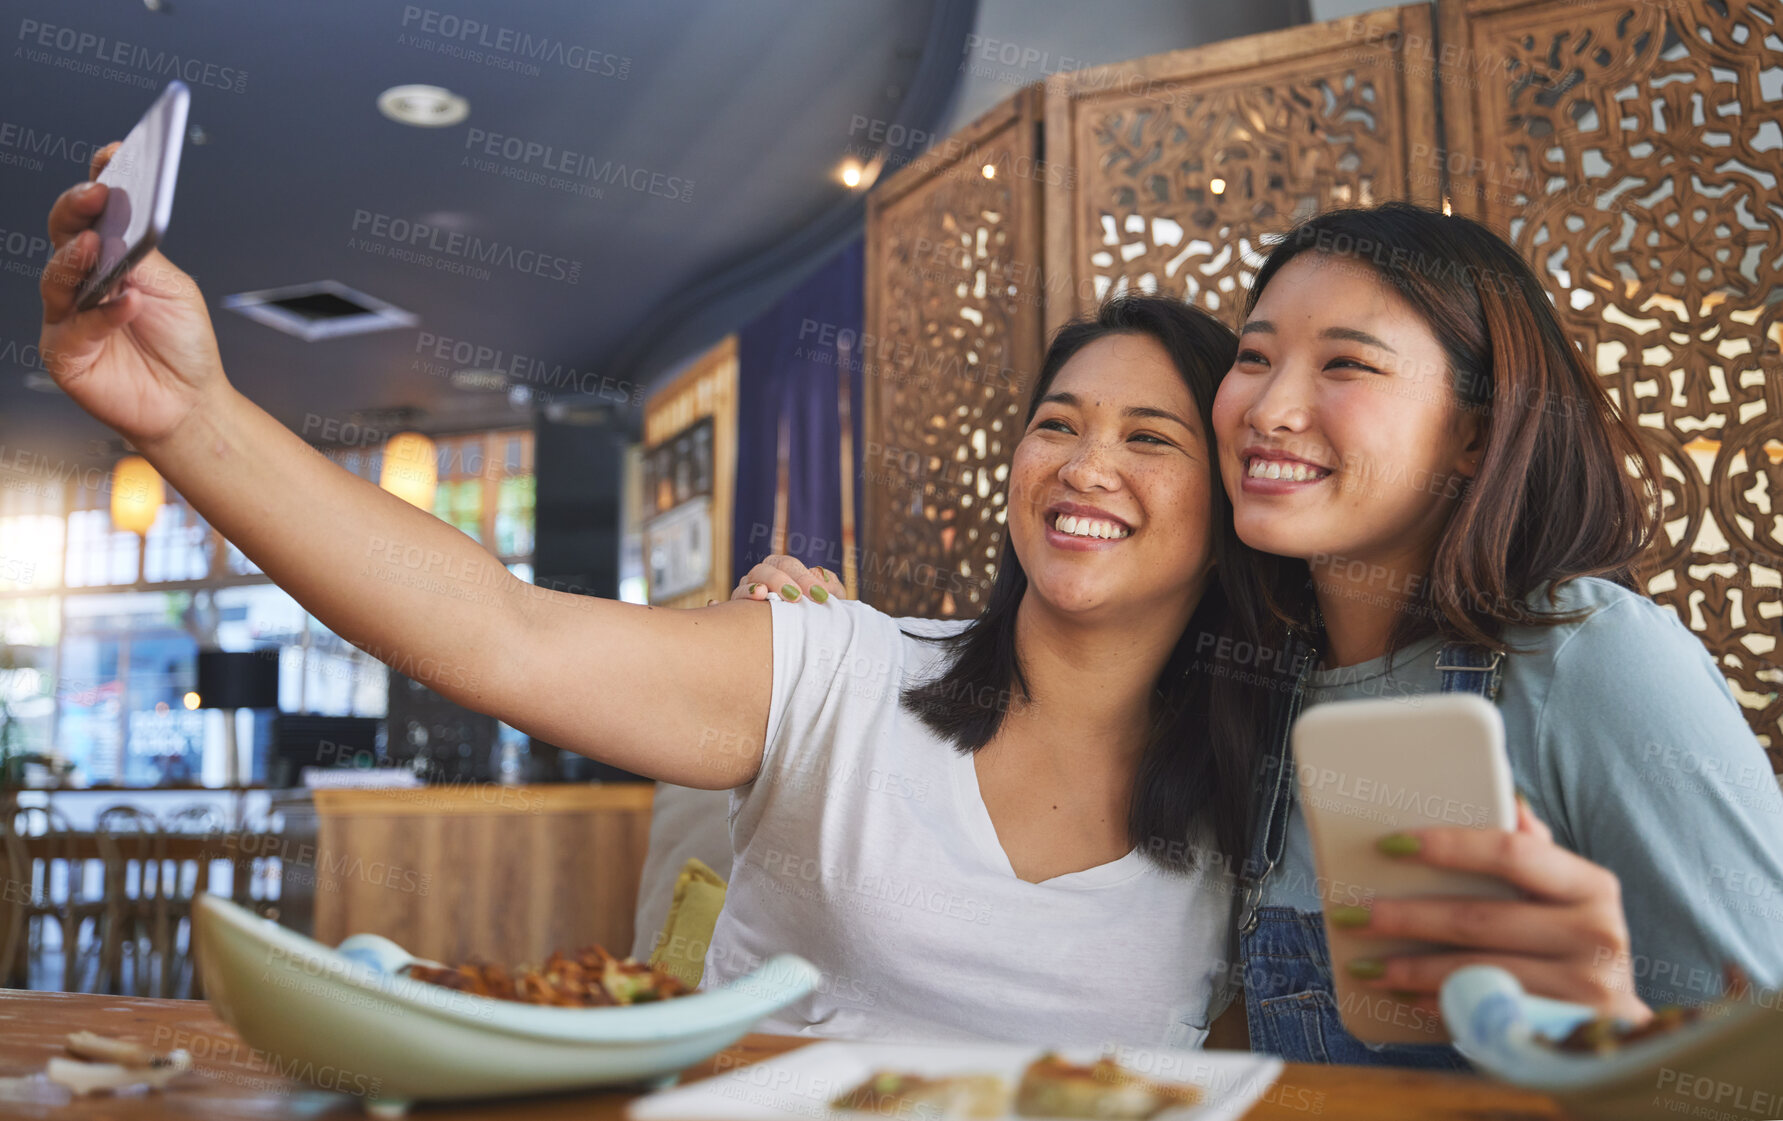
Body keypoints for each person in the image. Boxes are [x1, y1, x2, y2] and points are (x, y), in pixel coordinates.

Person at [39, 142, 1253, 1047]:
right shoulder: (842, 669)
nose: (1088, 464)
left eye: (1152, 438)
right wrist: (195, 420)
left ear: (1228, 504)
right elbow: (492, 630)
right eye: (1058, 424)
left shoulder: (1261, 798)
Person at [742, 201, 1783, 1067]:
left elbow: (1757, 1062)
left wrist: (1606, 1030)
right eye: (1253, 356)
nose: (1268, 407)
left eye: (1347, 364)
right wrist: (816, 642)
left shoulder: (1587, 658)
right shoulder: (1251, 686)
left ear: (1473, 432)